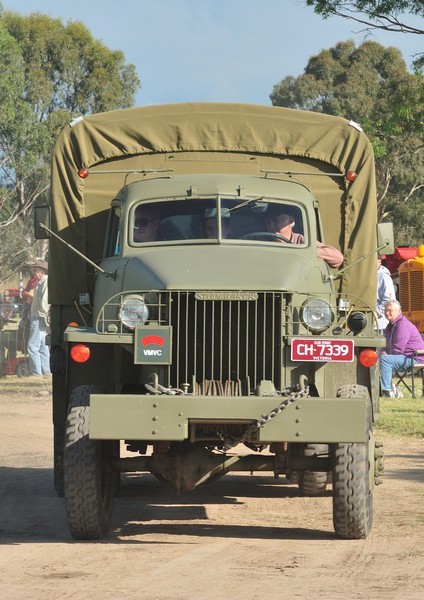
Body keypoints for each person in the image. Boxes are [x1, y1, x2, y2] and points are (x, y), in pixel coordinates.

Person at [266, 211, 344, 268]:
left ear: (291, 221)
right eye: (268, 221)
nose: (271, 224)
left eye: (277, 219)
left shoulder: (301, 241)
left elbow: (337, 258)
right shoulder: (259, 239)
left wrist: (304, 251)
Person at [380, 299, 424, 397]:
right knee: (377, 357)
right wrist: (383, 351)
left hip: (415, 358)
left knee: (384, 360)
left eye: (390, 310)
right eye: (385, 310)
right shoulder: (390, 326)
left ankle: (386, 391)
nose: (387, 313)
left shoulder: (402, 325)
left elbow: (398, 349)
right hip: (405, 357)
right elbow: (386, 344)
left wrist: (385, 354)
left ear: (399, 311)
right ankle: (382, 388)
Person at [27, 258, 51, 378]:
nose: (33, 272)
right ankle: (46, 373)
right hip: (40, 316)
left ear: (41, 271)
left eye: (35, 270)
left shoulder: (44, 282)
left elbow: (44, 303)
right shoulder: (42, 281)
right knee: (43, 346)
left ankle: (36, 374)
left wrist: (43, 318)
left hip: (39, 317)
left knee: (32, 346)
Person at [376, 257, 396, 332]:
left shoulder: (383, 277)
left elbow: (388, 299)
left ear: (379, 261)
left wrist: (377, 312)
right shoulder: (371, 275)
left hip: (380, 322)